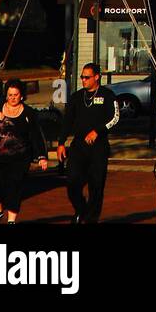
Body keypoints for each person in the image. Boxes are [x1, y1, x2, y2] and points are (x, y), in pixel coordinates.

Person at [0, 78, 48, 224]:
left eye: (15, 95)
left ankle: (11, 220)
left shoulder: (29, 113)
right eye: (10, 95)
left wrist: (42, 157)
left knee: (14, 187)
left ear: (21, 95)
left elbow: (36, 136)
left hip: (19, 159)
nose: (13, 98)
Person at [56, 62, 119, 224]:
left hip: (98, 147)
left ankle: (91, 218)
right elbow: (67, 121)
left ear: (96, 77)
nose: (83, 80)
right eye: (82, 77)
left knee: (96, 185)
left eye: (87, 77)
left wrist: (98, 130)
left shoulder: (107, 95)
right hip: (78, 147)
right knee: (72, 182)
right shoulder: (76, 97)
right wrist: (61, 142)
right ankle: (81, 209)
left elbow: (115, 118)